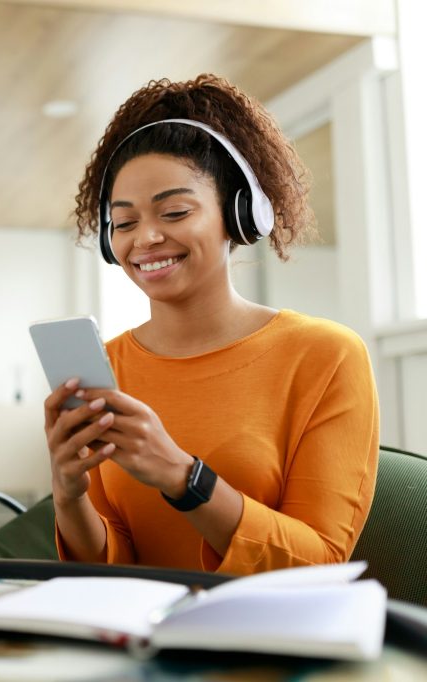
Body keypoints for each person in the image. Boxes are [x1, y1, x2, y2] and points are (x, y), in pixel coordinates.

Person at [47, 74, 379, 575]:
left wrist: (184, 477)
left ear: (240, 214)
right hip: (141, 638)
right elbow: (112, 566)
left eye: (175, 211)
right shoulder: (108, 365)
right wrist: (69, 496)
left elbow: (321, 562)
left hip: (265, 639)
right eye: (125, 222)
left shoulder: (325, 355)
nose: (147, 238)